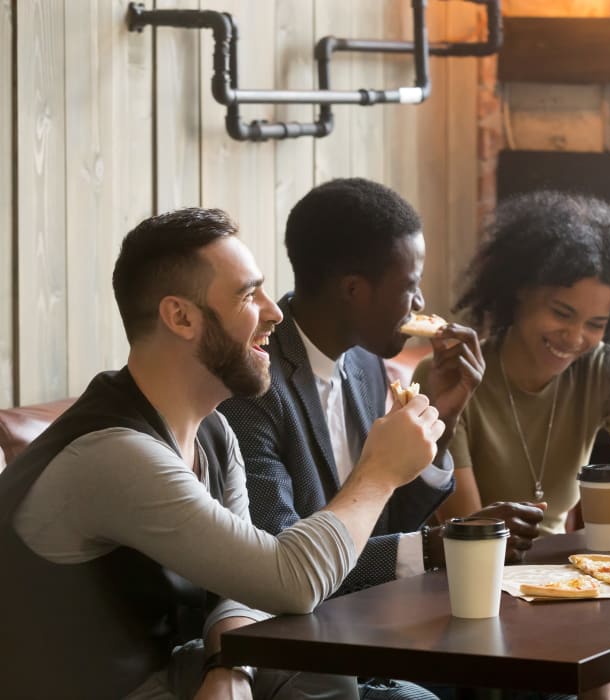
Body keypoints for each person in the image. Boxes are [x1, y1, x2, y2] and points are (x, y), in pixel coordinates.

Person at [0, 208, 445, 699]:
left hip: (174, 668)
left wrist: (227, 668)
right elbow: (289, 580)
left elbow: (238, 583)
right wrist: (379, 472)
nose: (274, 311)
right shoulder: (115, 455)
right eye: (247, 295)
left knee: (342, 675)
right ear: (182, 317)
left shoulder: (214, 429)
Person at [219, 178, 544, 589]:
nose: (421, 303)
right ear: (353, 290)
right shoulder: (252, 386)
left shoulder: (365, 361)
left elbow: (382, 524)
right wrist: (436, 547)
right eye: (410, 286)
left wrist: (441, 418)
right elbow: (285, 560)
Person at [419, 190, 610, 535]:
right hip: (470, 574)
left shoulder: (605, 371)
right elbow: (470, 534)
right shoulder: (451, 377)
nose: (574, 337)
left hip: (561, 575)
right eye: (561, 313)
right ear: (520, 290)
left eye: (595, 325)